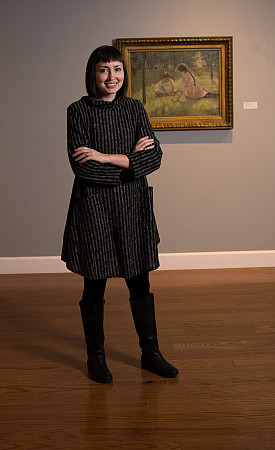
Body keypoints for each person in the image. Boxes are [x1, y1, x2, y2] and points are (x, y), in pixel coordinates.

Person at [61, 45, 178, 383]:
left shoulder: (134, 108)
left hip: (133, 207)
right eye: (104, 70)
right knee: (94, 283)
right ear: (92, 73)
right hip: (94, 209)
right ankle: (95, 358)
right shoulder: (78, 111)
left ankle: (150, 353)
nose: (112, 77)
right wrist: (130, 159)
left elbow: (153, 160)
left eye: (117, 69)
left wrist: (105, 156)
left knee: (140, 280)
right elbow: (84, 170)